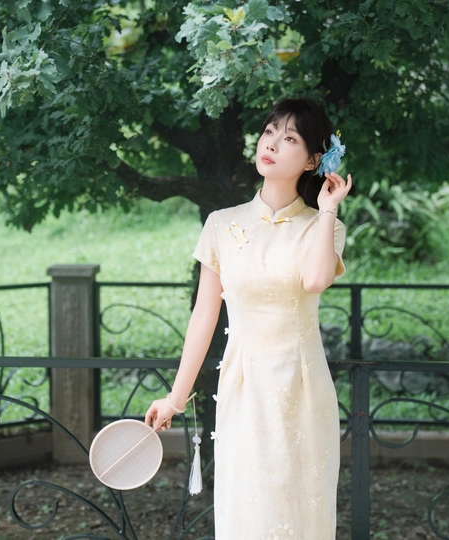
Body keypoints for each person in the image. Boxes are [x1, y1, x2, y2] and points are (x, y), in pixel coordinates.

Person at [145, 97, 352, 538]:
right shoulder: (222, 224)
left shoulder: (324, 226)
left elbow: (316, 280)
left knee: (299, 516)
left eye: (290, 138)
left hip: (302, 389)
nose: (271, 143)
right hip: (241, 389)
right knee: (247, 515)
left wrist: (329, 208)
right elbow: (204, 315)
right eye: (269, 132)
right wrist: (175, 399)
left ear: (313, 160)